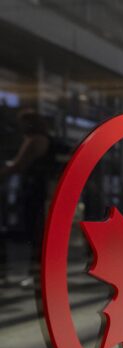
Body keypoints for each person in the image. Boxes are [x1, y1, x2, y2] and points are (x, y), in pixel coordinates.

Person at [0, 110, 55, 286]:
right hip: (36, 191)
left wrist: (4, 173)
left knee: (35, 232)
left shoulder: (35, 140)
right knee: (37, 232)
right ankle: (37, 273)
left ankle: (36, 274)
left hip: (33, 192)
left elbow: (19, 164)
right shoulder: (41, 139)